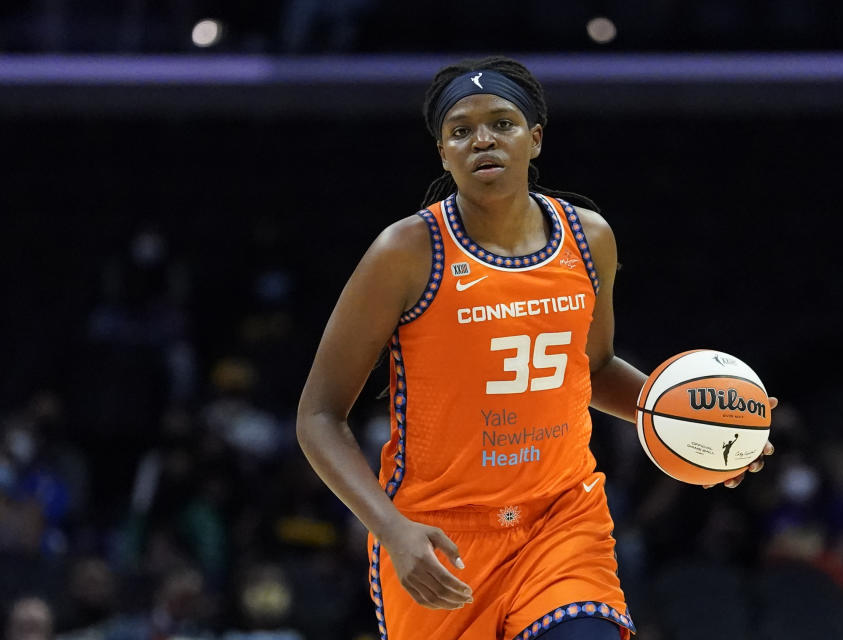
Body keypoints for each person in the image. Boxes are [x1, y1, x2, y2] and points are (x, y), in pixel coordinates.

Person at [296, 56, 776, 640]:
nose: (483, 140)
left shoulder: (587, 237)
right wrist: (392, 530)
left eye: (502, 123)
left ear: (536, 138)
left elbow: (592, 370)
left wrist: (700, 429)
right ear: (443, 153)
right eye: (460, 130)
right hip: (439, 535)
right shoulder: (406, 251)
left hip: (561, 520)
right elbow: (319, 416)